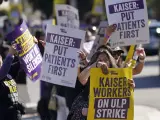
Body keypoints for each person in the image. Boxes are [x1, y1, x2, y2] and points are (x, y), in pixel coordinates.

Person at [67, 48, 135, 120]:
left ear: (110, 62)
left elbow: (123, 95)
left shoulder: (117, 75)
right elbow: (82, 78)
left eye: (105, 59)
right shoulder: (90, 72)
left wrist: (130, 87)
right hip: (86, 109)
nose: (102, 62)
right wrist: (95, 65)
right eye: (99, 60)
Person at [0, 44, 25, 120]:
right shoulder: (3, 72)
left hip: (15, 113)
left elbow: (23, 64)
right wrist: (10, 54)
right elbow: (2, 73)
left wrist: (24, 51)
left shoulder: (9, 71)